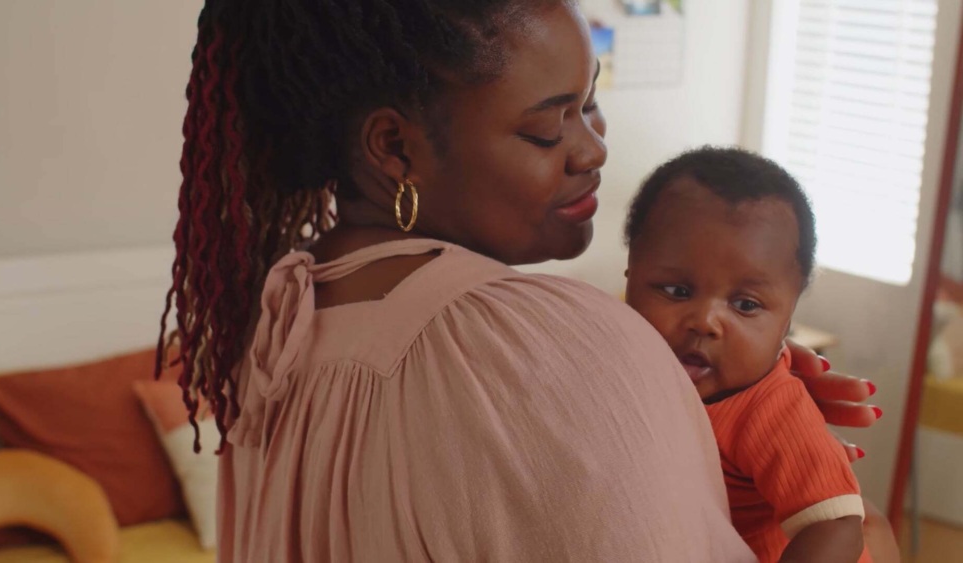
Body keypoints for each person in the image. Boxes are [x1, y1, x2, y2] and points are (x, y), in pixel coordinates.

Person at [160, 1, 879, 560]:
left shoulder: (280, 322)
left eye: (588, 102)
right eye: (546, 129)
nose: (593, 148)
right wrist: (872, 527)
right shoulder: (549, 345)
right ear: (395, 147)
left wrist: (709, 426)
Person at [624, 147, 871, 562]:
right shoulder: (613, 354)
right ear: (631, 273)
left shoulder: (771, 409)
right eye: (676, 291)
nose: (704, 321)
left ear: (789, 316)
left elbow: (836, 526)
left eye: (746, 305)